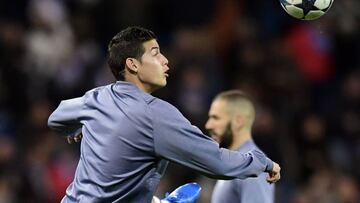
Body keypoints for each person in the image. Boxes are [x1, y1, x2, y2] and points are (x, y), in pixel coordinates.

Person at [47, 26, 280, 203]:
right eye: (155, 54)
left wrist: (76, 128)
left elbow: (56, 117)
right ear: (133, 65)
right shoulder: (156, 115)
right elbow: (218, 163)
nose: (165, 61)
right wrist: (262, 162)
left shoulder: (95, 98)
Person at [205, 90, 276, 203]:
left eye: (216, 118)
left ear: (238, 121)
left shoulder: (253, 167)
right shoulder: (235, 163)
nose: (208, 125)